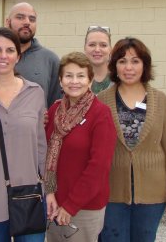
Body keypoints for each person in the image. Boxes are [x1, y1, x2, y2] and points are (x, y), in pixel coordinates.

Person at [98, 37, 166, 242]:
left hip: (152, 195)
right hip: (111, 194)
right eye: (122, 61)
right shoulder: (101, 101)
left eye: (135, 61)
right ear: (114, 66)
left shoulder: (161, 101)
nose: (129, 67)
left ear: (144, 65)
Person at [0, 27, 47, 242]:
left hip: (29, 195)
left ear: (18, 55)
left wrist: (48, 190)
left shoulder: (35, 92)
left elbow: (41, 146)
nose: (3, 56)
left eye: (10, 50)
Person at [45, 52, 116, 242]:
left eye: (81, 76)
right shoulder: (54, 111)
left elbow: (99, 167)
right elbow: (45, 155)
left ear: (90, 81)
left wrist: (71, 205)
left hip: (84, 207)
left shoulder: (101, 114)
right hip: (54, 202)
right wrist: (49, 192)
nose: (74, 81)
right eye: (68, 76)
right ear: (60, 81)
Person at [0, 2, 62, 107]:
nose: (27, 22)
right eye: (20, 17)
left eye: (32, 19)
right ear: (8, 22)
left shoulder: (50, 60)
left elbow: (56, 106)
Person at [84, 26, 112, 94]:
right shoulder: (75, 78)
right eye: (92, 45)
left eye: (103, 45)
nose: (97, 50)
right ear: (85, 48)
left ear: (110, 49)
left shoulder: (119, 78)